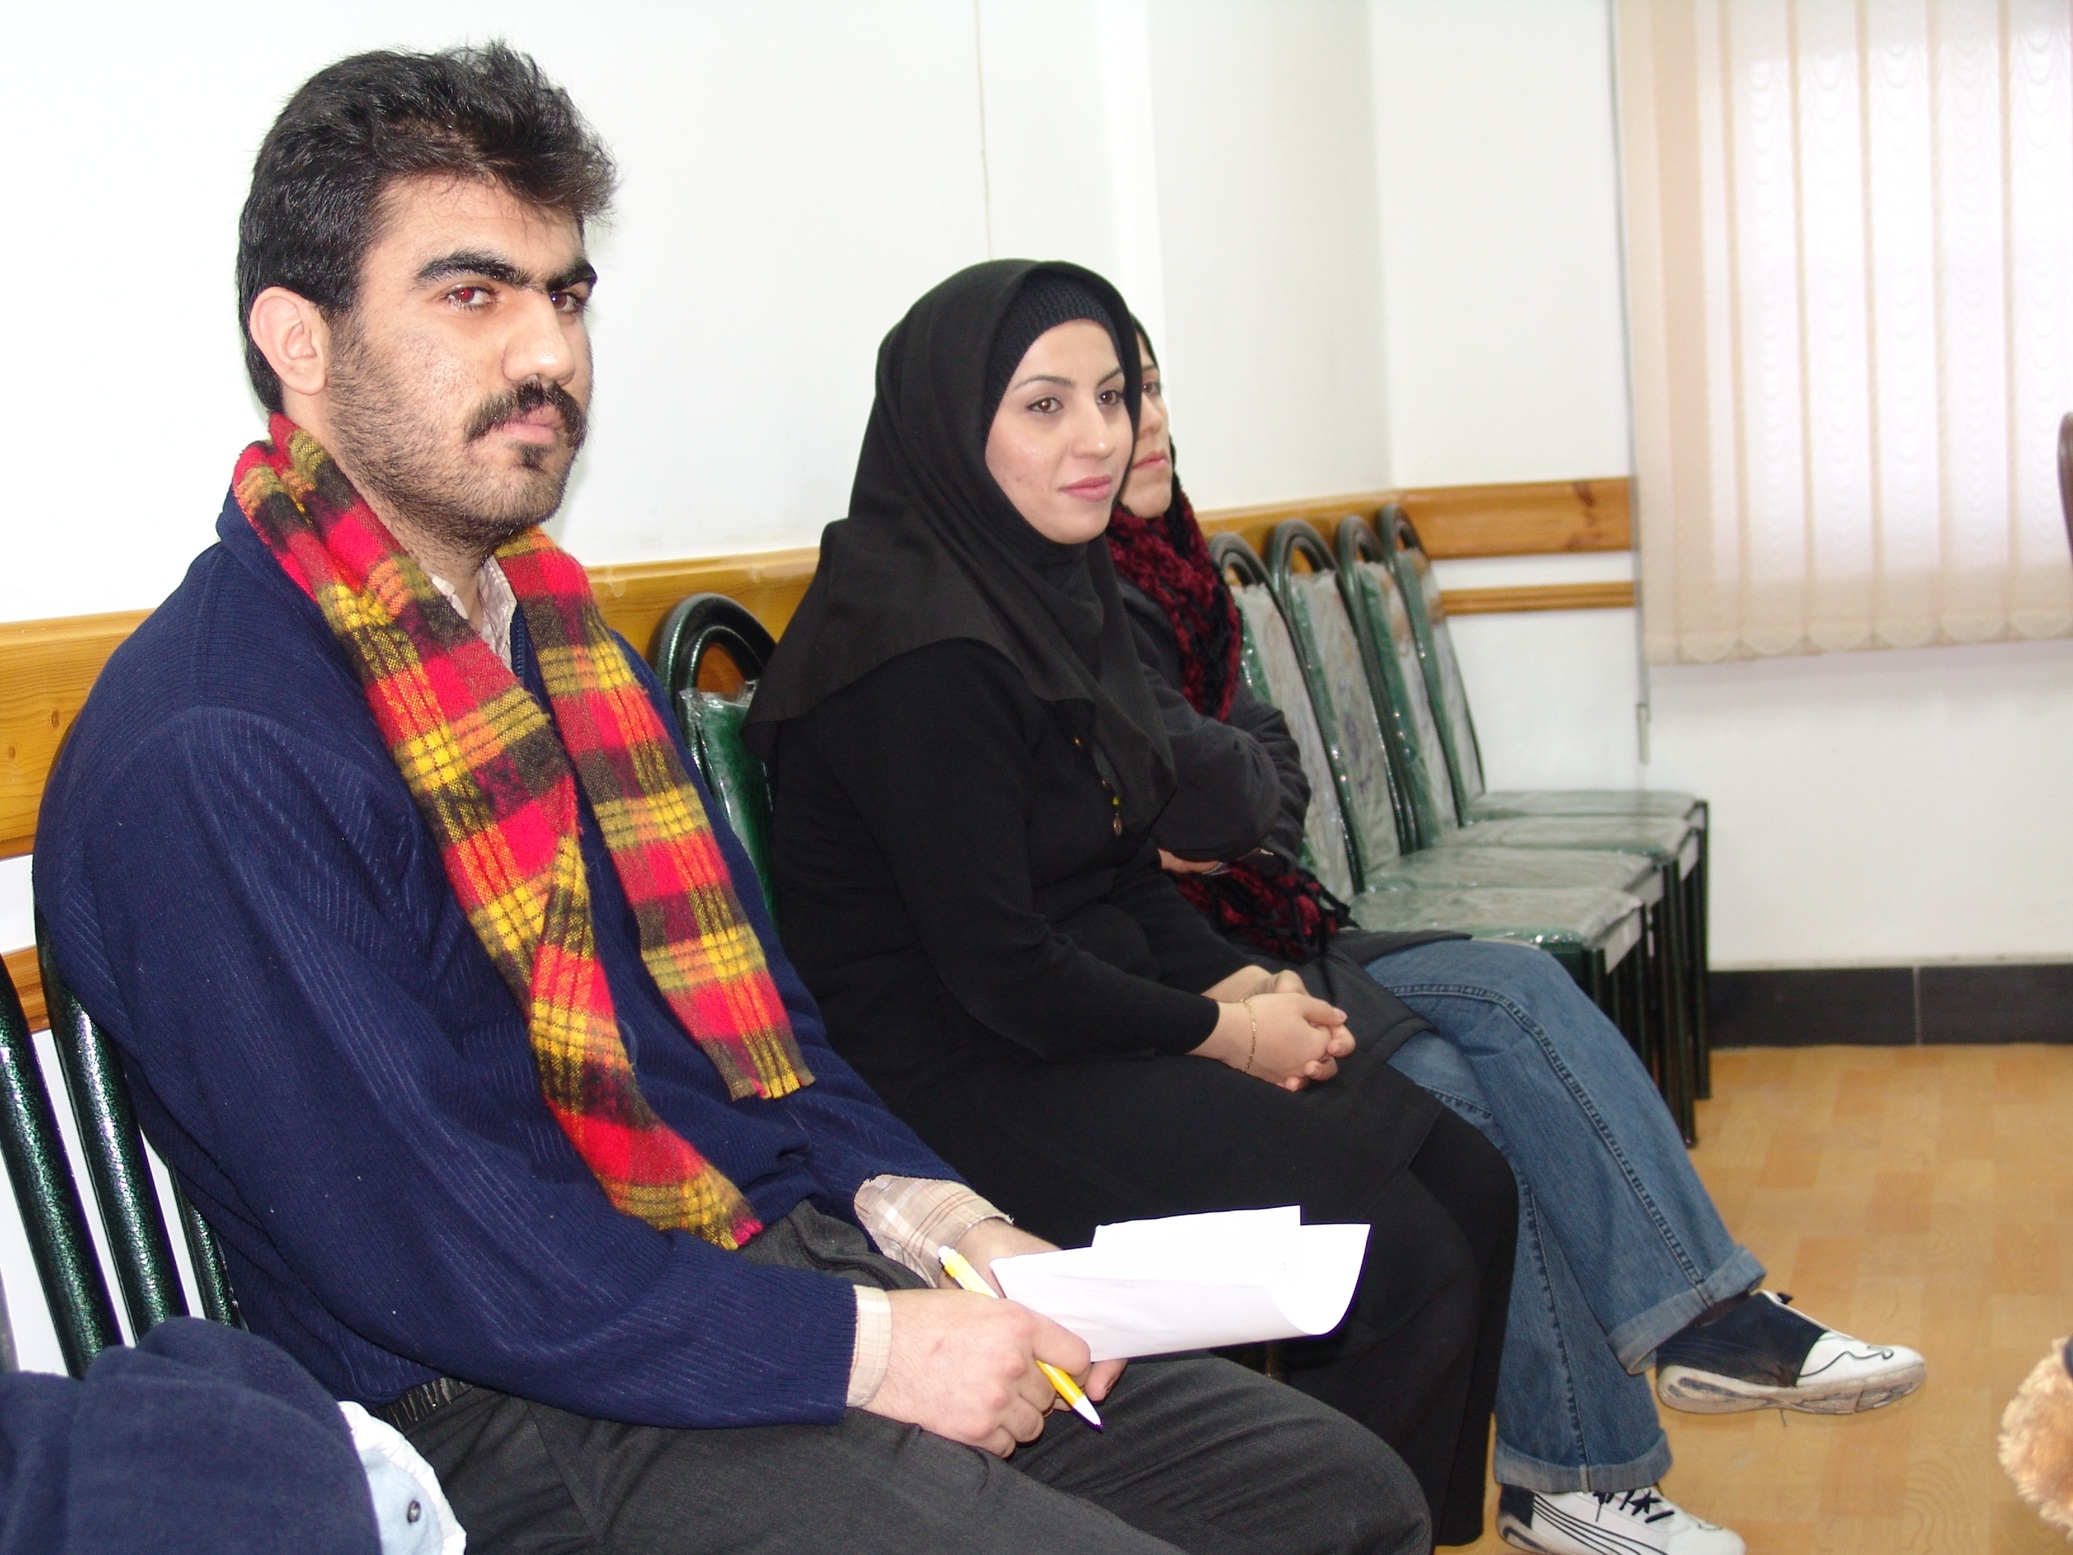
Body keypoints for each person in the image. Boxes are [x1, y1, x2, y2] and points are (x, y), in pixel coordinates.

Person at [33, 46, 1430, 1555]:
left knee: (1339, 1493)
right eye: (472, 293)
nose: (549, 352)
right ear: (297, 339)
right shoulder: (219, 746)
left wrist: (960, 1233)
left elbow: (777, 1039)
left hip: (763, 1257)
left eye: (566, 295)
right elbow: (445, 1252)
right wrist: (878, 1351)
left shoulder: (565, 656)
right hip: (504, 1404)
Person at [1106, 323, 1931, 1555]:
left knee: (1519, 983)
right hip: (1202, 969)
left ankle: (1705, 1322)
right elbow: (1193, 802)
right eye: (1108, 399)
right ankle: (1577, 1477)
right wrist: (1219, 802)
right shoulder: (1077, 597)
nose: (1146, 422)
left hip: (1284, 921)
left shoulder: (1183, 576)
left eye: (1150, 388)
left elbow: (1267, 780)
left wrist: (1221, 804)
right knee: (1465, 1091)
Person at [747, 259, 1518, 1547]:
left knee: (1474, 1184)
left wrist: (1235, 982)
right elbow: (1000, 968)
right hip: (962, 1074)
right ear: (951, 425)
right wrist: (1227, 1035)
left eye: (1111, 395)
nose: (1099, 437)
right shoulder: (917, 651)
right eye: (1044, 405)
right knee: (1400, 1259)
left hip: (1077, 1025)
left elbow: (1109, 868)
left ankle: (1399, 1531)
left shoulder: (1055, 590)